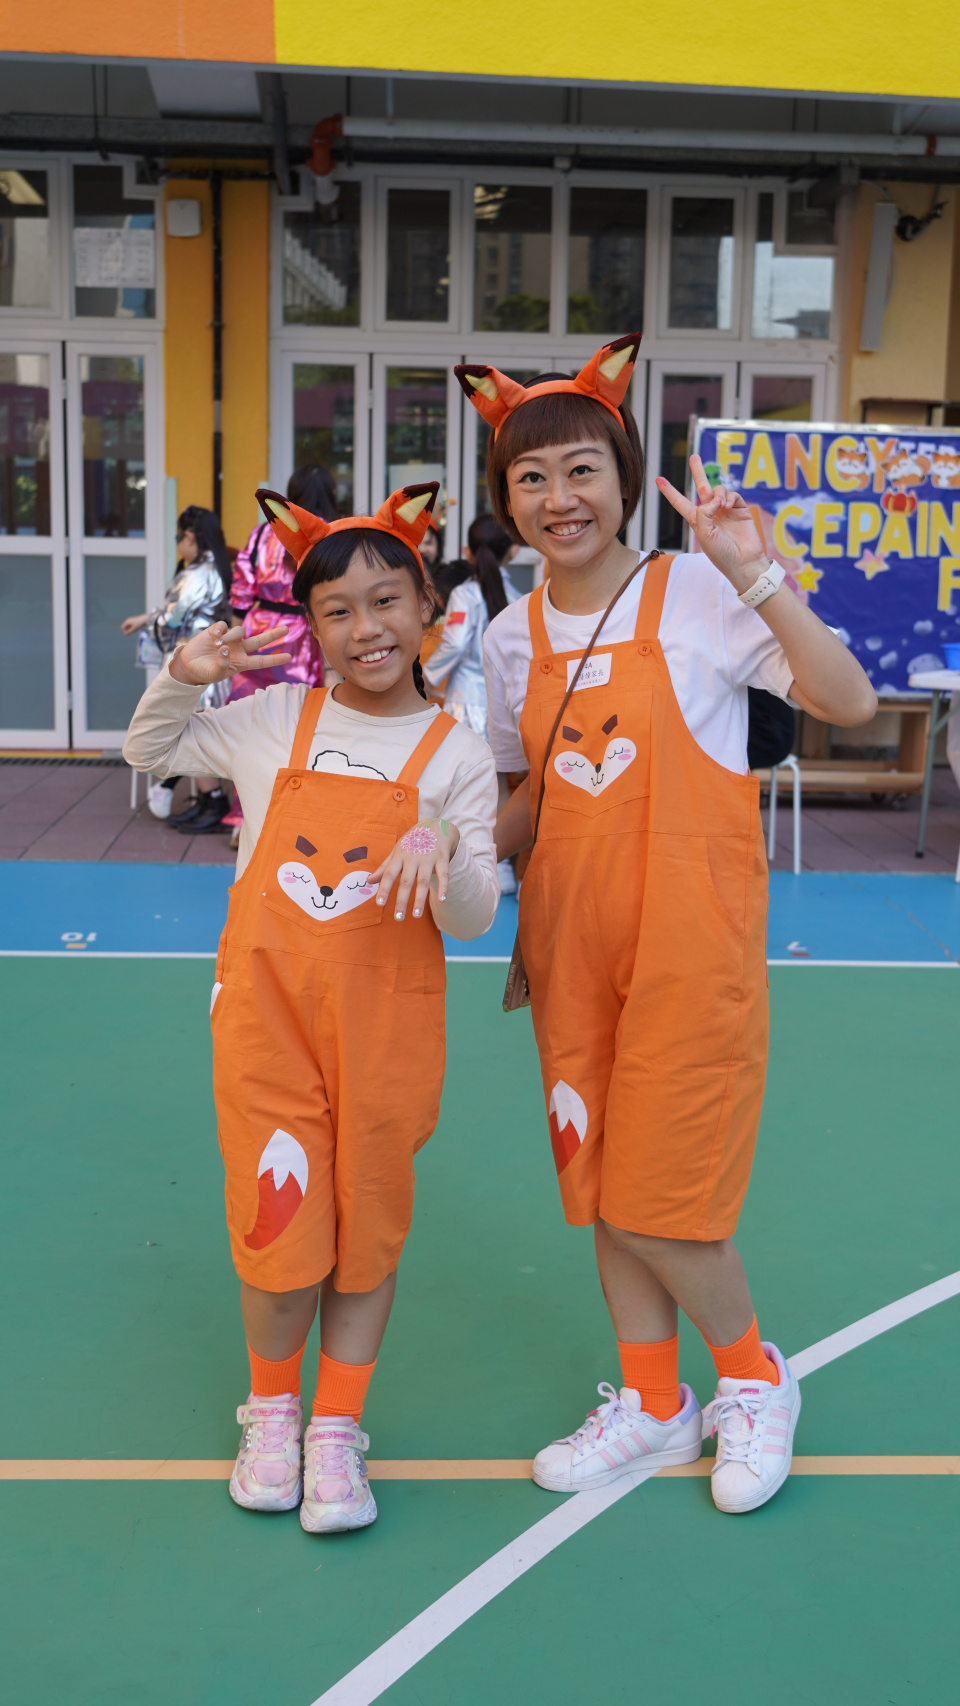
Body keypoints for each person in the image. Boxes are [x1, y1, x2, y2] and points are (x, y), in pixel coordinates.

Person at [461, 338, 877, 1515]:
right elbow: (530, 796)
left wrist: (758, 573)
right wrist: (449, 847)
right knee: (603, 1185)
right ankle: (653, 1400)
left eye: (581, 469)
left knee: (663, 1196)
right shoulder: (507, 637)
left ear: (625, 475)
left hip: (690, 948)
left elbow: (849, 700)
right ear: (506, 502)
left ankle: (753, 1375)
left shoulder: (697, 590)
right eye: (531, 478)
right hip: (570, 946)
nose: (559, 497)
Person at [123, 481, 499, 1535]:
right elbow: (150, 756)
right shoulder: (274, 719)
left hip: (388, 1034)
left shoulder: (458, 755)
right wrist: (180, 675)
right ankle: (272, 1412)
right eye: (337, 610)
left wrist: (444, 843)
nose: (365, 627)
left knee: (367, 1232)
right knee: (278, 1229)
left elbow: (474, 918)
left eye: (385, 601)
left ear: (426, 606)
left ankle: (336, 1427)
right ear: (313, 626)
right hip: (267, 1027)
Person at [222, 466, 337, 848]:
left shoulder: (261, 534)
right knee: (297, 731)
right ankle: (289, 818)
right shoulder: (329, 536)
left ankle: (242, 819)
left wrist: (237, 638)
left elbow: (241, 590)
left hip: (257, 634)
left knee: (248, 726)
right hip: (302, 637)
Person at [423, 513, 521, 893]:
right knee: (499, 786)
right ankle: (501, 867)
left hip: (466, 703)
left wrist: (426, 676)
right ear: (513, 552)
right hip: (503, 707)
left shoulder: (465, 595)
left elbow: (454, 644)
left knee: (456, 786)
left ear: (467, 551)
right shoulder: (519, 597)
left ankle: (459, 865)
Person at [121, 505, 233, 828]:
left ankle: (213, 801)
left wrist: (148, 621)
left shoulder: (197, 573)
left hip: (195, 665)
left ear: (192, 537)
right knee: (200, 731)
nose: (178, 545)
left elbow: (173, 618)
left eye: (178, 538)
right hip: (212, 661)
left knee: (188, 730)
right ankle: (208, 800)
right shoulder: (216, 569)